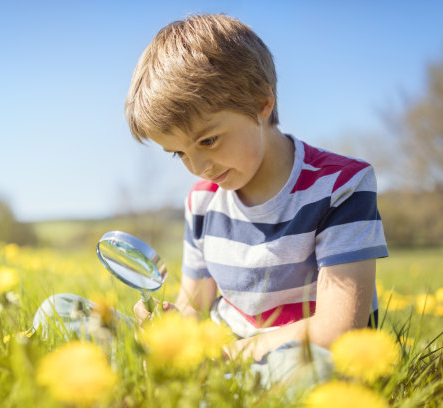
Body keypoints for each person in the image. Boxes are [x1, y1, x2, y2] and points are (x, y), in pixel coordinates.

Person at [34, 12, 388, 391]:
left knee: (315, 371)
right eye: (178, 154)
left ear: (261, 101)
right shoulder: (203, 202)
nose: (198, 167)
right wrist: (173, 324)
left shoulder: (341, 186)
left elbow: (340, 330)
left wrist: (240, 353)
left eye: (207, 141)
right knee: (60, 311)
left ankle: (196, 389)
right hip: (218, 358)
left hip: (291, 356)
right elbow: (195, 306)